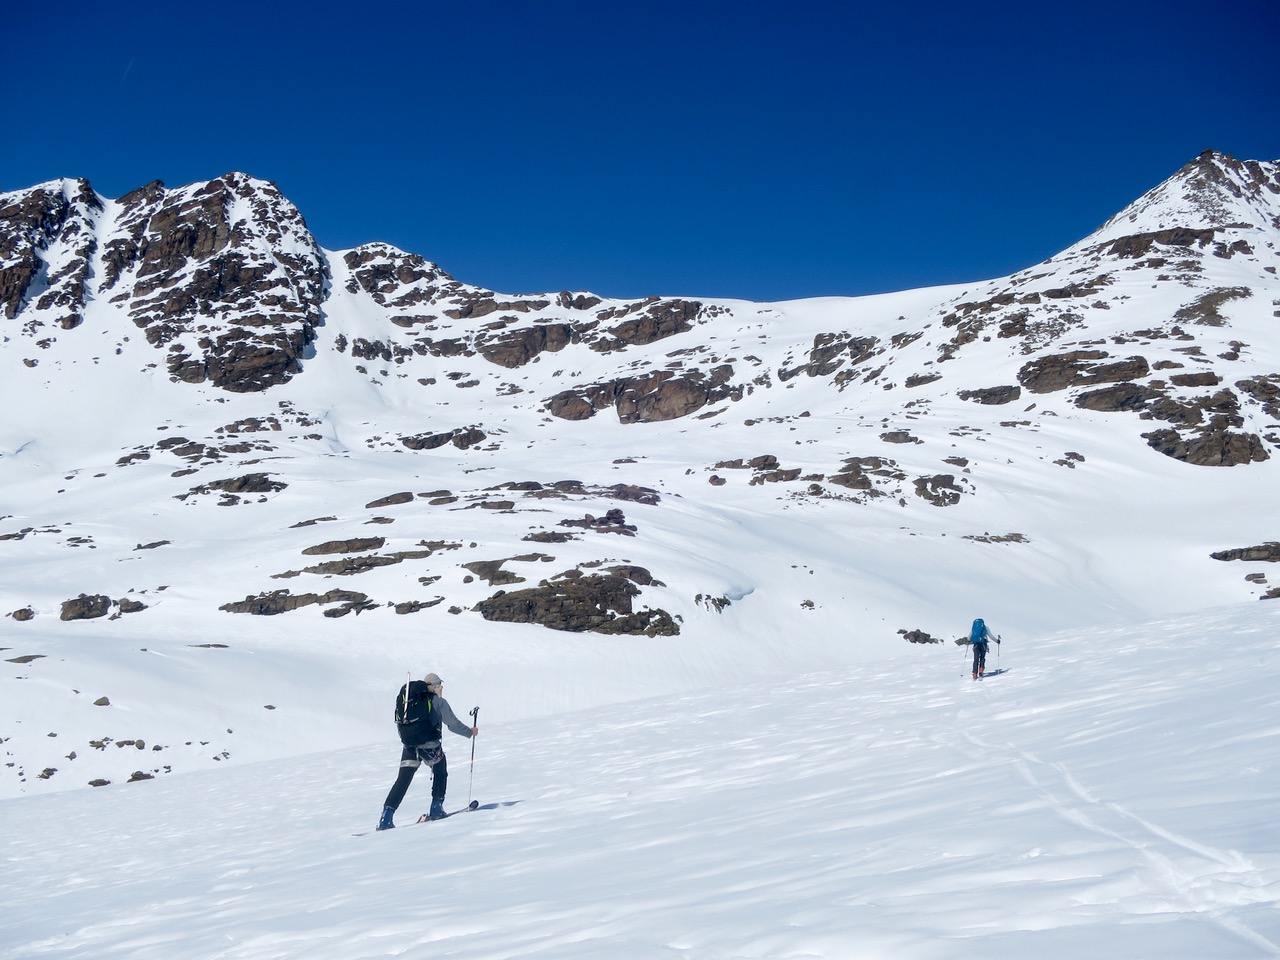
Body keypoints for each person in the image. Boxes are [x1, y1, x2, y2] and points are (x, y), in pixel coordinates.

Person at [377, 672, 477, 830]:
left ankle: (386, 817)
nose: (441, 688)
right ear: (435, 686)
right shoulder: (438, 702)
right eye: (439, 685)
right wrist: (470, 732)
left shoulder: (409, 702)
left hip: (410, 746)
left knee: (402, 781)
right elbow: (453, 724)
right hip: (430, 746)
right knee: (440, 770)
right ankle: (436, 808)